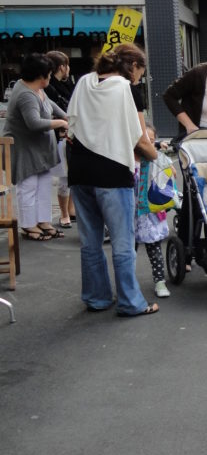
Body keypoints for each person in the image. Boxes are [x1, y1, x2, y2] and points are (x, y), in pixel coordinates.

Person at [67, 43, 160, 316]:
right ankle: (130, 302)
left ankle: (96, 297)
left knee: (90, 242)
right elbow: (139, 139)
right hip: (113, 173)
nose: (140, 77)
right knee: (122, 242)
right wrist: (155, 154)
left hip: (80, 171)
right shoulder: (126, 89)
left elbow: (71, 128)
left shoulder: (84, 82)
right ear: (133, 66)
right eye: (141, 71)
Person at [4, 53, 69, 241]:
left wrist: (67, 116)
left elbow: (50, 105)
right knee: (29, 187)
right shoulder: (26, 94)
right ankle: (28, 225)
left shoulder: (35, 88)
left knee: (43, 185)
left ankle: (43, 221)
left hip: (40, 149)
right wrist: (61, 123)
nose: (50, 77)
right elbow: (34, 123)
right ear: (41, 76)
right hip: (26, 149)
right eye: (48, 74)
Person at [134, 124, 171, 298]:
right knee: (128, 251)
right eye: (145, 140)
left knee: (154, 248)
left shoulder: (156, 160)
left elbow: (167, 176)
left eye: (152, 140)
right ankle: (128, 282)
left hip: (150, 214)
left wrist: (167, 169)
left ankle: (160, 281)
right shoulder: (129, 159)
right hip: (132, 213)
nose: (148, 143)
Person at [43, 50, 77, 228]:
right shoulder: (49, 88)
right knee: (64, 177)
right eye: (67, 65)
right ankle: (64, 213)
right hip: (59, 135)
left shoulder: (66, 84)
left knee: (71, 175)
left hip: (70, 133)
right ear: (62, 67)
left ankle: (71, 210)